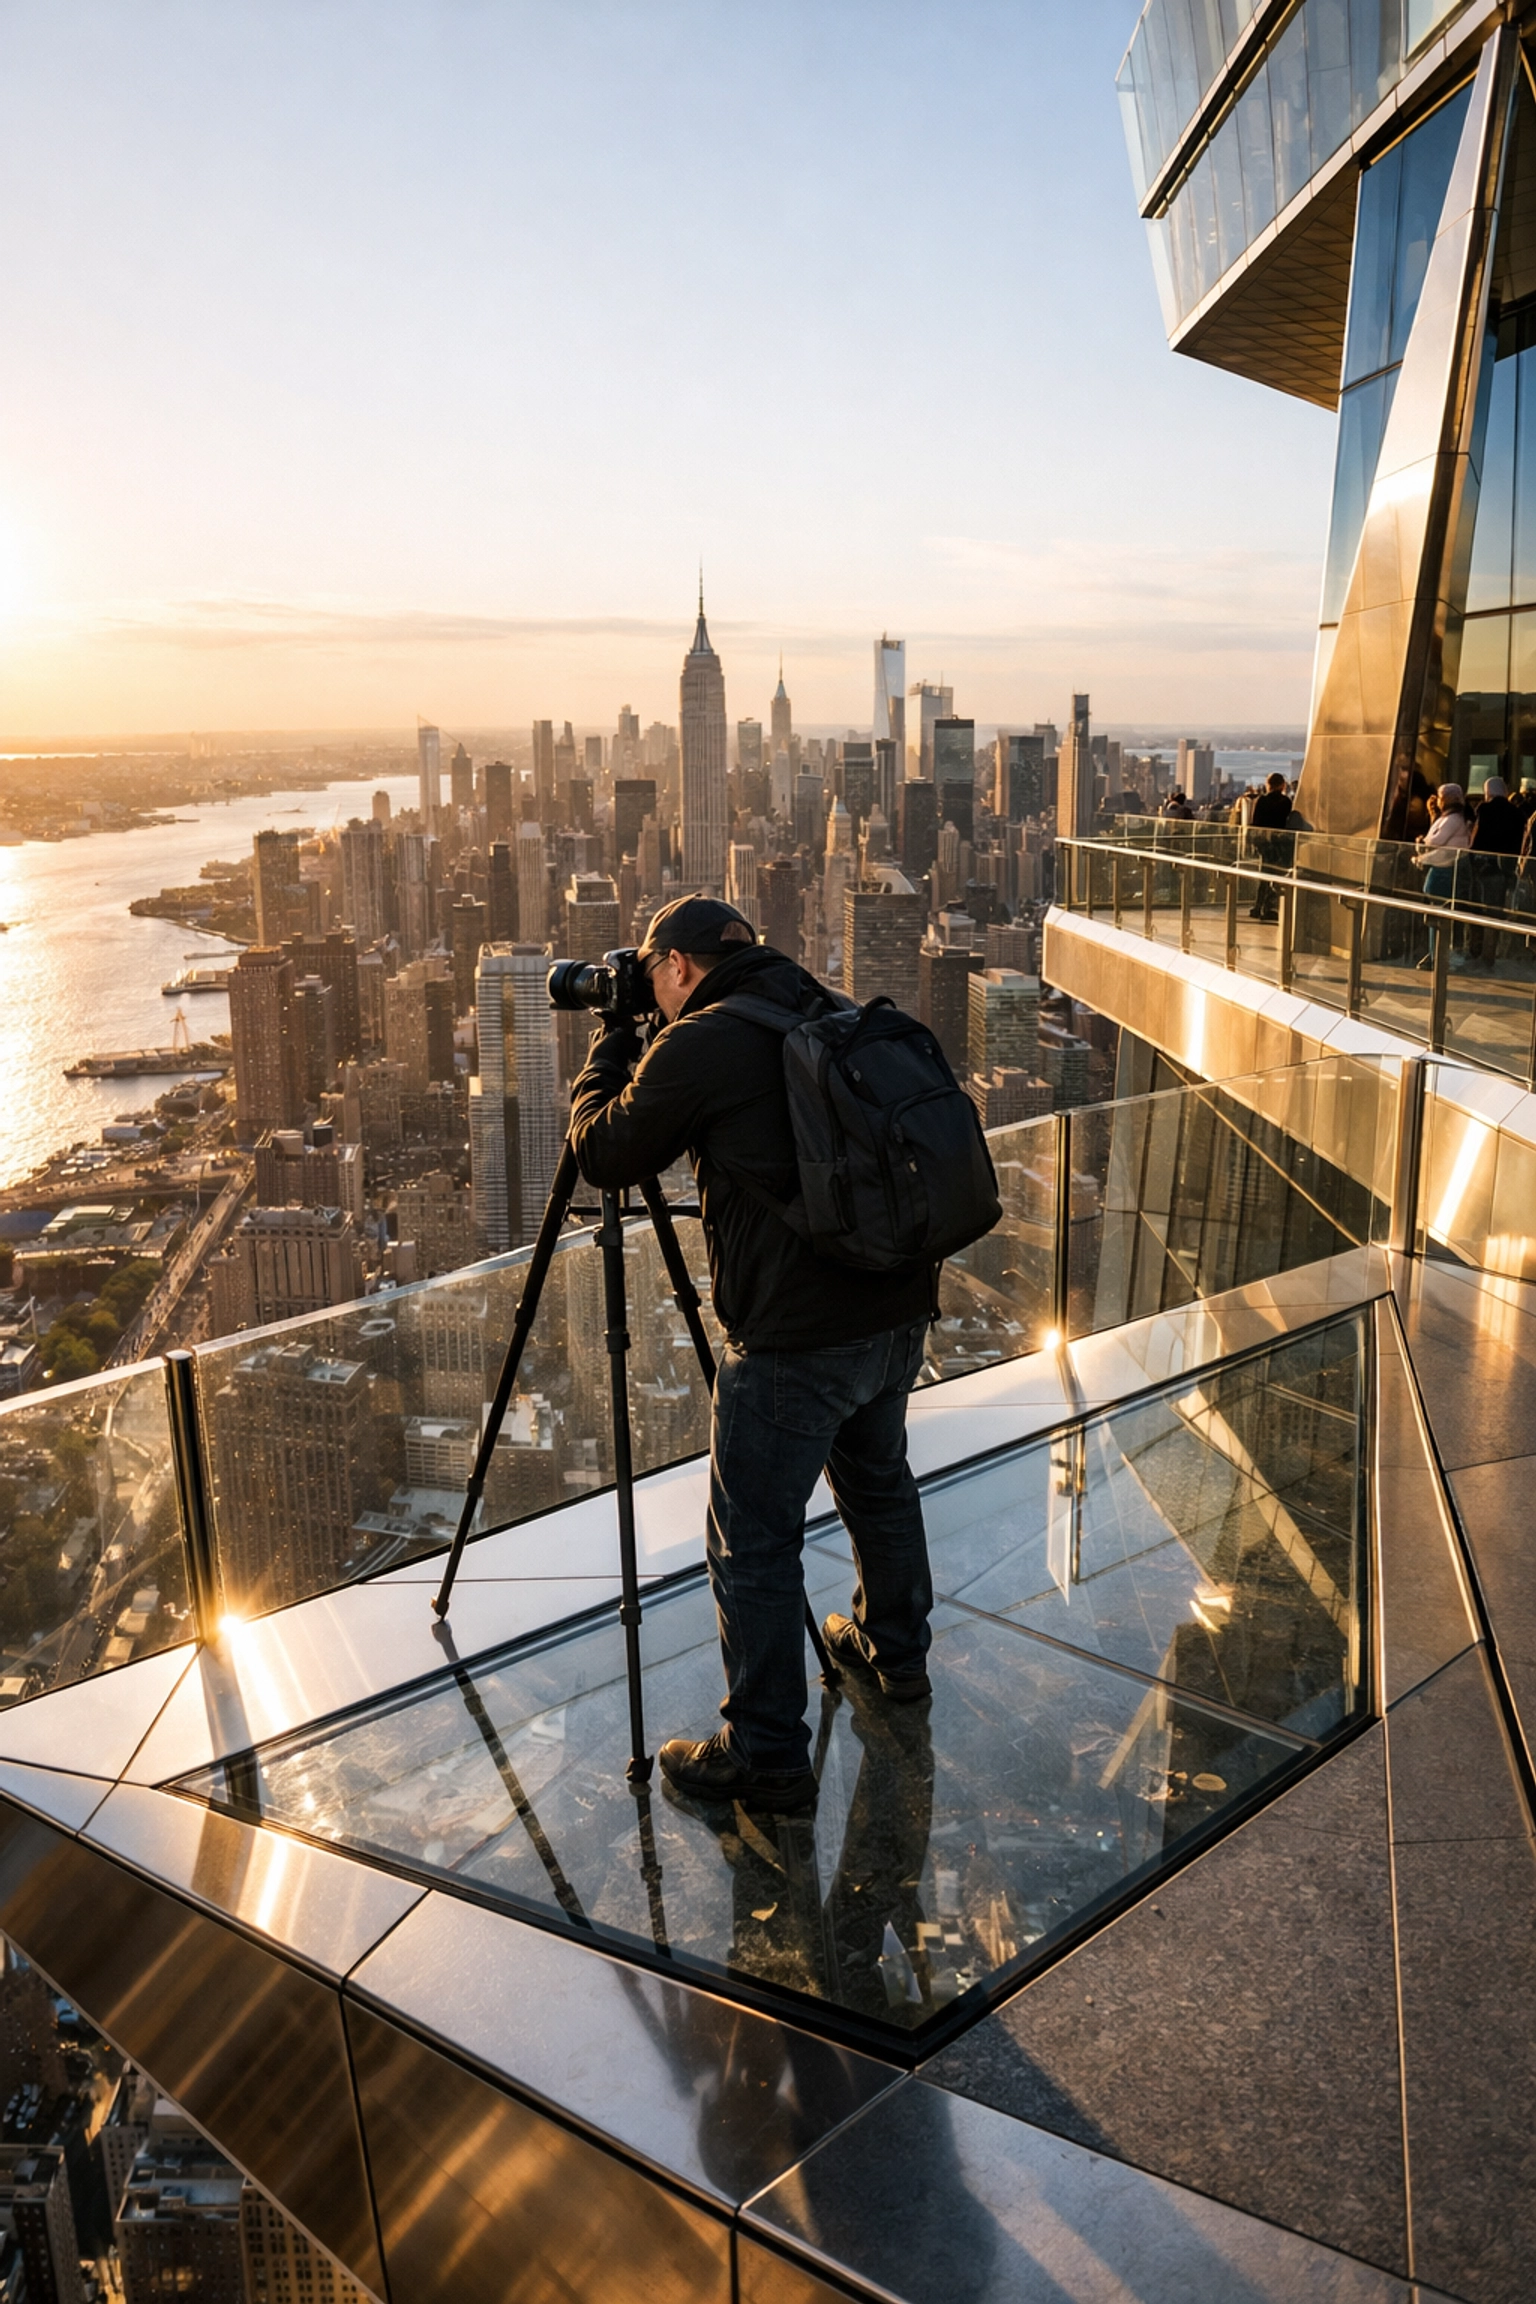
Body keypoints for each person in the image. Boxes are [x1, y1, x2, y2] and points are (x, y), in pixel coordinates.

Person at [568, 894, 939, 1815]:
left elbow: (604, 1152)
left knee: (753, 1540)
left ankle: (767, 1754)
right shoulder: (822, 1002)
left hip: (794, 1339)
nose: (647, 992)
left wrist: (609, 1045)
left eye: (650, 976)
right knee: (878, 1482)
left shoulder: (701, 1041)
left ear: (681, 968)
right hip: (895, 1308)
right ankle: (896, 1656)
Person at [1468, 774, 1522, 967]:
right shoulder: (1516, 813)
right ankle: (1492, 952)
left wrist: (1472, 858)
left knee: (1478, 910)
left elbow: (1477, 839)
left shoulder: (1485, 809)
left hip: (1485, 867)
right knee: (1496, 911)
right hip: (1506, 869)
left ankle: (1479, 952)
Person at [1415, 781, 1471, 970]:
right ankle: (1434, 954)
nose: (1437, 801)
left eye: (1440, 797)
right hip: (1439, 869)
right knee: (1435, 917)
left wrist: (1423, 844)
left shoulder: (1453, 820)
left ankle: (1437, 956)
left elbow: (1435, 840)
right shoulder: (1446, 818)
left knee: (1437, 918)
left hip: (1444, 871)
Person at [1246, 772, 1292, 920]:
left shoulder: (1261, 801)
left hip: (1265, 843)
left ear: (1268, 784)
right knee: (1277, 875)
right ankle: (1269, 908)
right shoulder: (1286, 802)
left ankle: (1258, 906)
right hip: (1280, 843)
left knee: (1264, 875)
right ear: (1282, 785)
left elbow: (1256, 822)